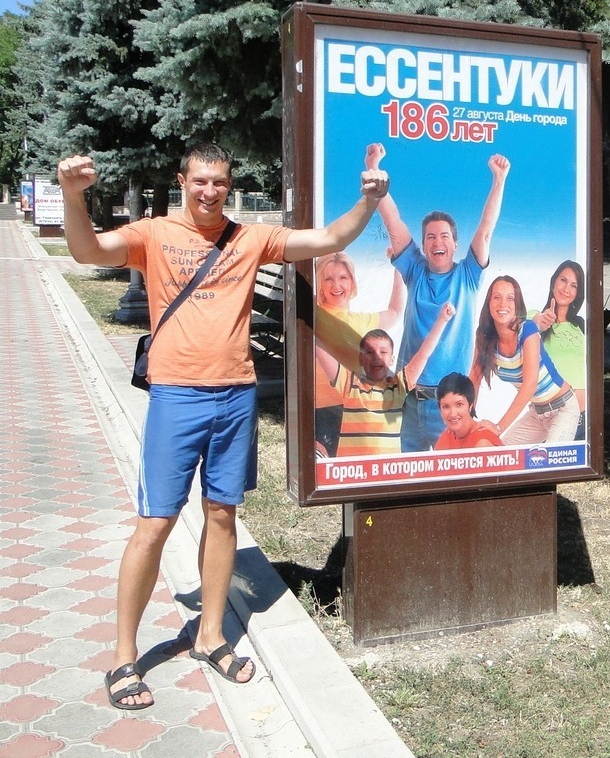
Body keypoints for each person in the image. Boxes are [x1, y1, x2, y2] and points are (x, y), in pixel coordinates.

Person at [57, 141, 389, 710]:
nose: (209, 191)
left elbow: (330, 239)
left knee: (221, 514)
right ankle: (123, 656)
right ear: (182, 181)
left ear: (228, 186)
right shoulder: (154, 234)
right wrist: (72, 194)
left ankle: (210, 636)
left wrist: (371, 201)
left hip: (235, 396)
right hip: (176, 397)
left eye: (219, 182)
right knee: (154, 524)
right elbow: (87, 250)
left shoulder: (249, 238)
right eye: (200, 181)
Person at [365, 142, 510, 452]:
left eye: (444, 236)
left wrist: (499, 180)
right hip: (407, 398)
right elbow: (392, 222)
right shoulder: (414, 269)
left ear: (455, 244)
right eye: (430, 236)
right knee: (407, 474)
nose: (437, 241)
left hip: (449, 404)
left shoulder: (468, 275)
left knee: (455, 476)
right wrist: (374, 170)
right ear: (423, 244)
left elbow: (485, 230)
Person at [316, 302, 455, 457]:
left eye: (383, 352)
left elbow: (424, 354)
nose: (376, 357)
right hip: (352, 471)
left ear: (392, 359)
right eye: (370, 352)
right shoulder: (348, 384)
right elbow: (319, 350)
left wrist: (442, 320)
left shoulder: (399, 386)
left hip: (386, 471)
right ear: (361, 358)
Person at [469, 275, 580, 445]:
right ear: (488, 303)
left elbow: (530, 385)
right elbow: (474, 378)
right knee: (503, 455)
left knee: (552, 459)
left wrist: (498, 427)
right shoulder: (484, 337)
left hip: (563, 409)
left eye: (510, 298)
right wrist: (468, 420)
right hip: (536, 414)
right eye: (497, 297)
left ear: (517, 304)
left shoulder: (528, 329)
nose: (503, 304)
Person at [314, 251, 405, 457]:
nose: (336, 285)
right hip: (324, 410)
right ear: (320, 284)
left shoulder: (362, 321)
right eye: (328, 279)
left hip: (357, 410)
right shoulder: (315, 312)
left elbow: (395, 312)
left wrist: (398, 268)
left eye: (343, 277)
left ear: (352, 282)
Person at [530, 260, 586, 441]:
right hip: (554, 418)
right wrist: (539, 321)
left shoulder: (580, 325)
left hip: (585, 418)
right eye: (563, 280)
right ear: (553, 282)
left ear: (577, 293)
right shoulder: (535, 317)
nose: (566, 289)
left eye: (574, 285)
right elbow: (525, 326)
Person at [434, 372, 502, 450]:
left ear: (470, 405)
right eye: (446, 407)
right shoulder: (447, 436)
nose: (453, 414)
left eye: (459, 405)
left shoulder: (482, 442)